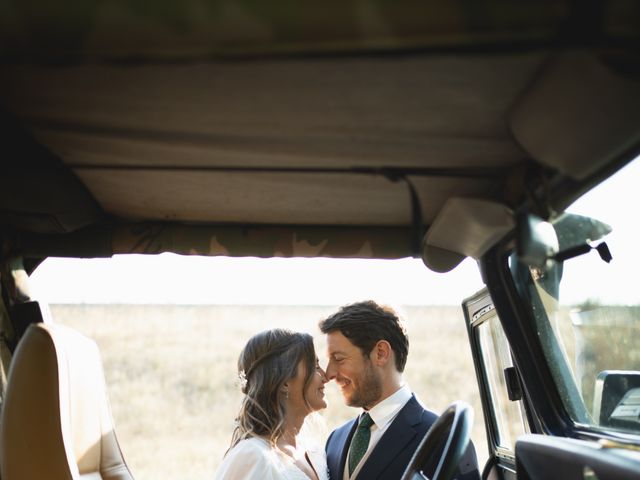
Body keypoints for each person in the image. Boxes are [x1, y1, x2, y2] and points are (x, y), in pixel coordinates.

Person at [319, 300, 480, 480]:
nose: (329, 373)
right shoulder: (335, 440)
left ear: (380, 353)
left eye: (339, 359)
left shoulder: (447, 441)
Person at [214, 328, 329, 480]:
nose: (325, 375)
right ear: (285, 382)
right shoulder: (253, 456)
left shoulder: (316, 453)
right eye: (314, 366)